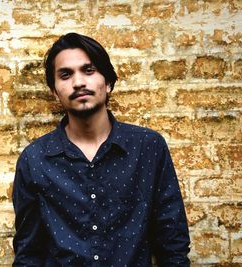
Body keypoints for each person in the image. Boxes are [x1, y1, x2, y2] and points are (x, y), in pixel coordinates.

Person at [12, 32, 190, 266]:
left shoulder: (148, 148)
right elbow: (29, 253)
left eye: (88, 70)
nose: (78, 82)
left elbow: (172, 242)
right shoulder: (35, 160)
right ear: (54, 91)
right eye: (65, 75)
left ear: (108, 82)